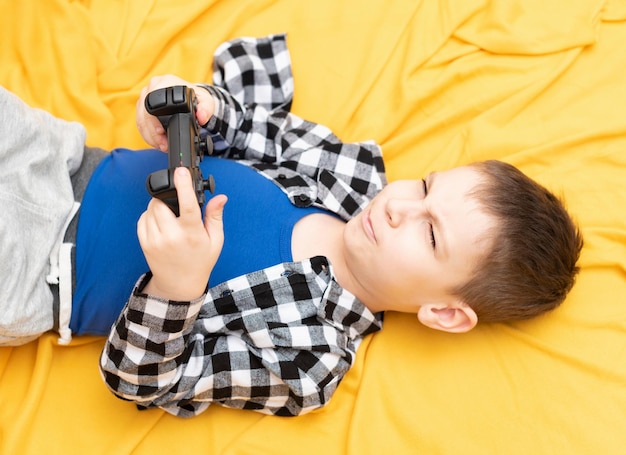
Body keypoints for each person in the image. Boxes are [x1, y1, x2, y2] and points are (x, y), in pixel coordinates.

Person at [0, 35, 582, 417]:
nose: (401, 207)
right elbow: (252, 130)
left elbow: (142, 380)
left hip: (41, 271)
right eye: (426, 186)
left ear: (446, 312)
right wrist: (196, 106)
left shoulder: (312, 357)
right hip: (61, 156)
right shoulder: (353, 176)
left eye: (430, 234)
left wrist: (176, 289)